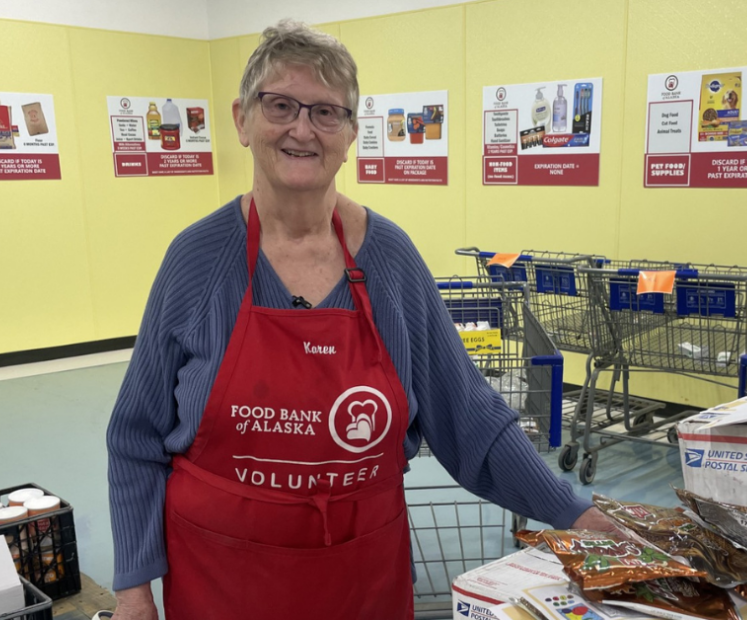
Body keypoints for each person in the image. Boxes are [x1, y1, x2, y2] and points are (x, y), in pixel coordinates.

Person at [106, 19, 616, 620]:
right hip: (222, 578)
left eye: (326, 112)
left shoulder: (390, 259)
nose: (302, 128)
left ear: (351, 134)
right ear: (243, 119)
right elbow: (135, 435)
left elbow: (469, 415)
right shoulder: (196, 260)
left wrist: (574, 513)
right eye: (280, 106)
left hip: (360, 578)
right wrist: (134, 587)